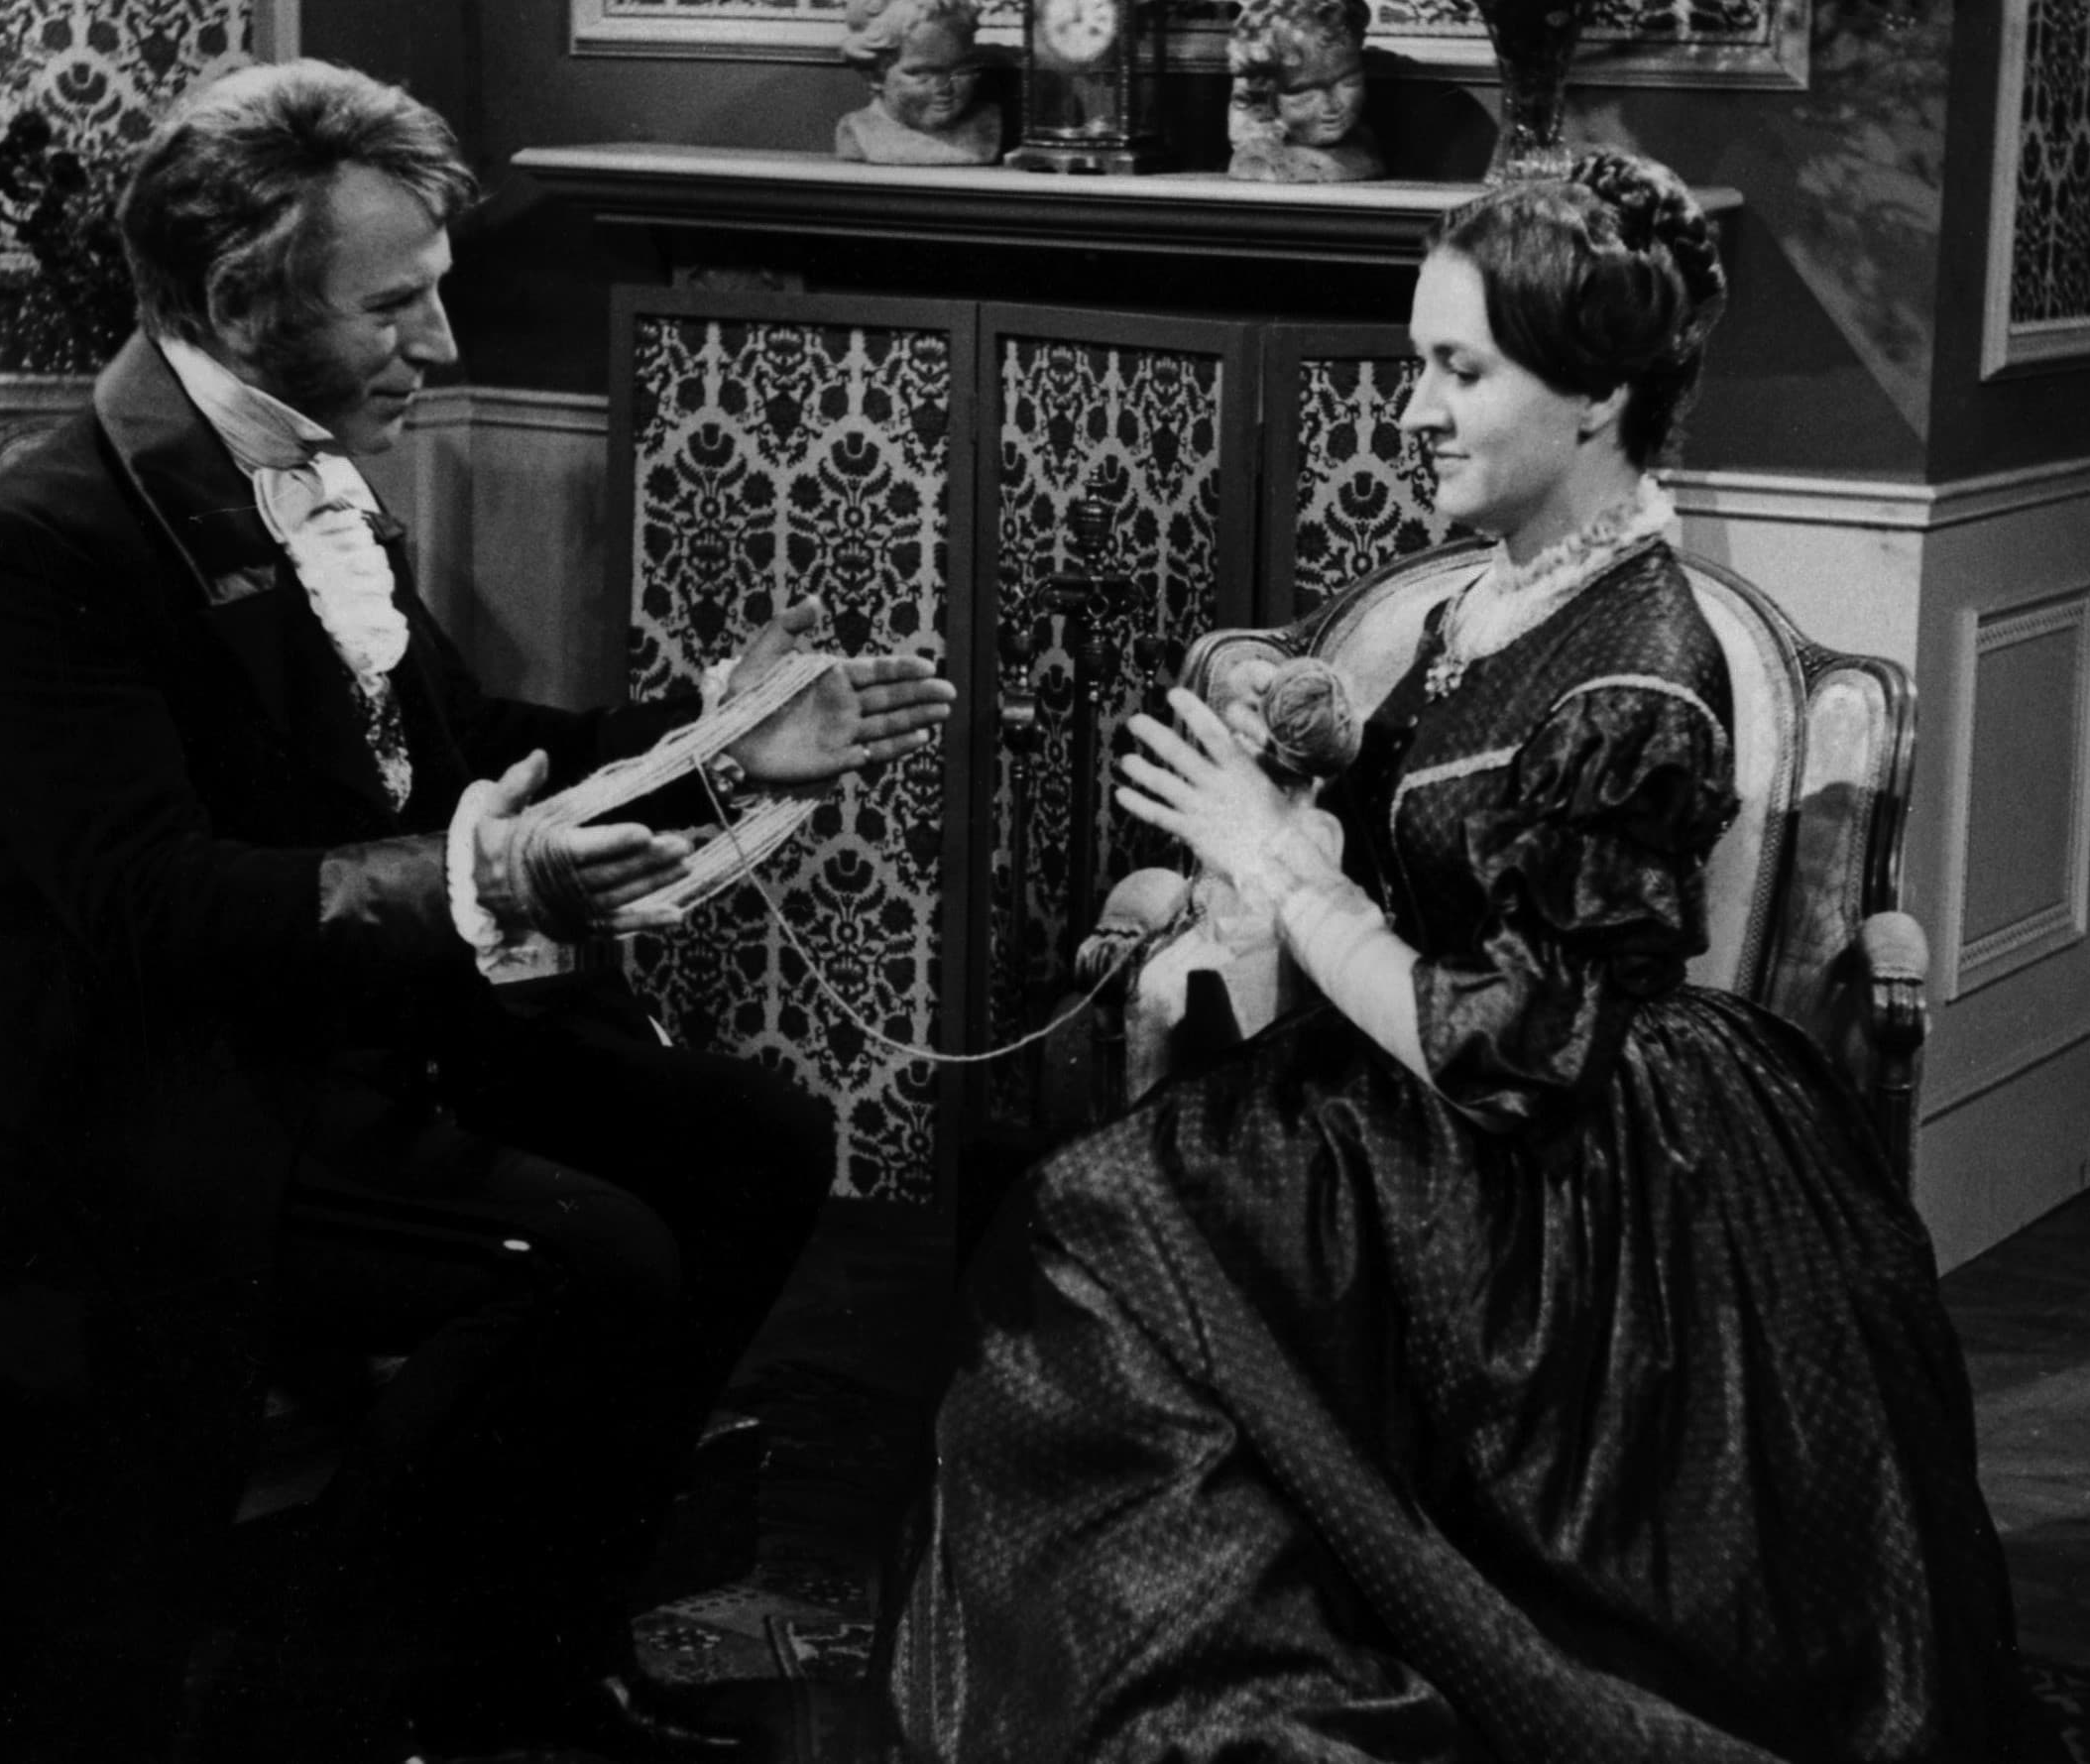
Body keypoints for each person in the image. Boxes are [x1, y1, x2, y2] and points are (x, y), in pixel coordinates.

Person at [0, 58, 953, 1764]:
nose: (439, 344)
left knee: (752, 1141)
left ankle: (525, 1670)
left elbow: (465, 749)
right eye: (393, 306)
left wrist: (719, 744)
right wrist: (482, 876)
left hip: (327, 1029)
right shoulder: (39, 541)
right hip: (124, 1077)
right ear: (243, 304)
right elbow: (147, 906)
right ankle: (321, 1709)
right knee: (589, 1253)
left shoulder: (309, 470)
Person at [884, 150, 2021, 1760]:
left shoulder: (1642, 677)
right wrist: (1313, 771)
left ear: (1597, 395)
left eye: (1458, 370)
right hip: (1402, 1099)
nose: (1410, 409)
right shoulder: (1502, 596)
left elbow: (1518, 1050)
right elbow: (1446, 828)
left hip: (1555, 1176)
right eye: (1415, 361)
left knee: (1104, 1232)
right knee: (1086, 1225)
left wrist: (1279, 866)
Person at [1226, 0, 1385, 184]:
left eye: (1349, 83)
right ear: (1266, 99)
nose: (1331, 106)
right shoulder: (1259, 157)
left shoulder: (1364, 148)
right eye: (1304, 93)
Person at [833, 0, 1002, 167]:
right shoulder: (861, 131)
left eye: (959, 71)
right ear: (876, 76)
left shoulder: (985, 126)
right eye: (921, 73)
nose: (944, 86)